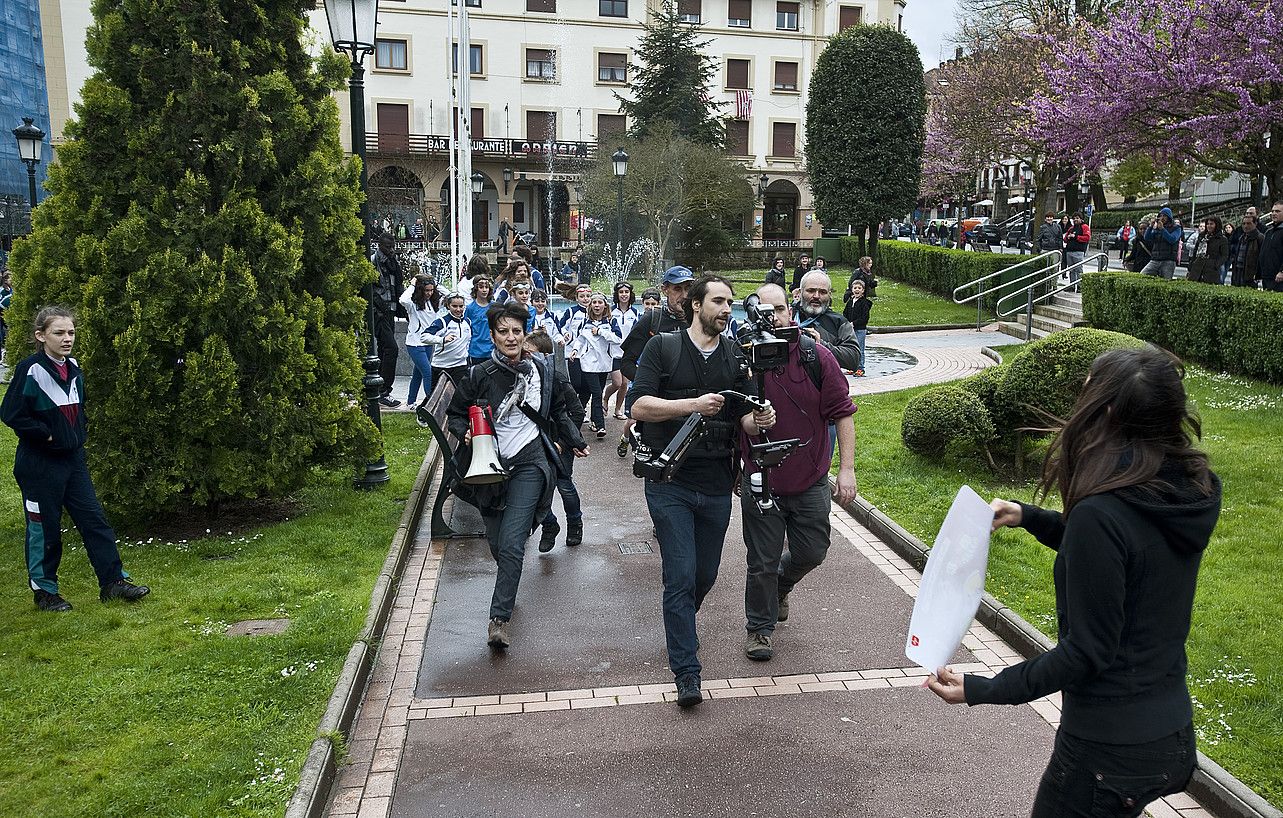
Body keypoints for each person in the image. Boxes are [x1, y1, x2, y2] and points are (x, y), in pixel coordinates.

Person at [927, 345, 1220, 818]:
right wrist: (1031, 517)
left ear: (1104, 413)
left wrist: (986, 688)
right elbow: (1127, 556)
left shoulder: (1103, 515)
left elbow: (1087, 652)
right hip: (1170, 735)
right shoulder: (1186, 491)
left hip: (1106, 752)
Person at [627, 275, 776, 707]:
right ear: (696, 305)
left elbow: (744, 417)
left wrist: (759, 420)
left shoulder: (734, 354)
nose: (728, 309)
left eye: (730, 302)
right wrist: (691, 404)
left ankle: (679, 625)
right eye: (719, 301)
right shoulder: (664, 349)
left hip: (716, 482)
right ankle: (687, 673)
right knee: (680, 573)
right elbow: (637, 405)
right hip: (669, 481)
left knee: (705, 575)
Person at [447, 302, 589, 648]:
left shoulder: (541, 369)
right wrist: (465, 430)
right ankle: (530, 543)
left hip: (530, 463)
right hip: (488, 467)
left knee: (512, 543)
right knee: (498, 544)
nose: (511, 337)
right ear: (493, 336)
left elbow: (557, 408)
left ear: (525, 334)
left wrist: (573, 439)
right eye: (503, 331)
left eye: (516, 331)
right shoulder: (480, 374)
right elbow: (455, 414)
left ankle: (499, 620)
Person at [2, 307, 151, 612]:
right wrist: (46, 435)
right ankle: (45, 592)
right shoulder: (29, 369)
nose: (67, 338)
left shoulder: (74, 367)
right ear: (41, 336)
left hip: (73, 461)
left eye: (70, 332)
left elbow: (77, 410)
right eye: (59, 333)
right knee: (45, 528)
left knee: (94, 521)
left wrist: (76, 434)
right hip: (39, 463)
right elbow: (10, 413)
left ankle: (113, 582)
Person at [739, 284, 857, 661]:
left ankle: (780, 587)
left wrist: (847, 469)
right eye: (762, 310)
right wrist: (752, 422)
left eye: (777, 309)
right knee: (762, 561)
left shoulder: (815, 356)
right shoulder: (742, 359)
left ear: (790, 311)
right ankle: (759, 629)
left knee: (813, 551)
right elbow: (730, 414)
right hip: (761, 478)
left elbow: (842, 412)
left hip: (810, 478)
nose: (770, 317)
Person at [524, 330, 586, 553]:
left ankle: (575, 523)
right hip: (534, 443)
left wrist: (565, 442)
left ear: (544, 355)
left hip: (560, 442)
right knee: (533, 489)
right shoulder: (522, 377)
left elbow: (576, 412)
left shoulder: (557, 378)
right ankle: (549, 525)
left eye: (530, 353)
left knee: (564, 484)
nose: (525, 357)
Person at [568, 292, 621, 439]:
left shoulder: (611, 322)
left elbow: (617, 339)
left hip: (604, 364)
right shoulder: (586, 322)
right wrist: (574, 350)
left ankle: (574, 422)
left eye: (600, 302)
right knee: (597, 394)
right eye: (594, 302)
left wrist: (601, 332)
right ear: (590, 306)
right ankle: (600, 425)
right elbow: (580, 339)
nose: (597, 305)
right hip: (588, 364)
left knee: (585, 394)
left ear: (605, 305)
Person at [795, 270, 862, 372]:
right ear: (800, 292)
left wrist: (820, 345)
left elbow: (854, 359)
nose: (816, 296)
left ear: (829, 294)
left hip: (822, 385)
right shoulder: (786, 316)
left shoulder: (839, 322)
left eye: (822, 292)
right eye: (811, 291)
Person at [419, 293, 472, 412]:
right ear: (448, 306)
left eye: (461, 306)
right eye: (454, 306)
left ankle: (453, 418)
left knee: (460, 394)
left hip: (460, 365)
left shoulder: (467, 322)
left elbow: (468, 342)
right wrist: (442, 339)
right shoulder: (442, 322)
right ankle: (422, 412)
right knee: (434, 395)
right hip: (441, 365)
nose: (458, 309)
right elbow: (424, 337)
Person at [370, 232, 405, 407]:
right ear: (379, 245)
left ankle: (382, 390)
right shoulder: (373, 261)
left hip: (390, 311)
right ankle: (383, 390)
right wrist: (380, 307)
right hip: (379, 313)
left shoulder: (393, 263)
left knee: (386, 349)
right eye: (387, 247)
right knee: (391, 348)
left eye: (393, 246)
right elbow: (370, 289)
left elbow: (397, 286)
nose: (391, 250)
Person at [400, 274, 443, 410]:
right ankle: (431, 404)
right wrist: (412, 285)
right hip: (415, 344)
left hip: (428, 343)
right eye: (426, 290)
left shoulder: (433, 302)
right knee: (427, 372)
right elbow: (403, 299)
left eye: (431, 290)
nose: (429, 293)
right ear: (420, 290)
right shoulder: (412, 304)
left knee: (418, 374)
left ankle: (410, 402)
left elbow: (450, 295)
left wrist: (435, 284)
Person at [602, 281, 640, 420]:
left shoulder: (635, 313)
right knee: (617, 383)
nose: (624, 295)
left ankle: (618, 409)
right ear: (617, 294)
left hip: (628, 354)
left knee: (625, 384)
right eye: (621, 292)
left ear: (631, 294)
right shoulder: (610, 312)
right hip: (613, 353)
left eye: (626, 292)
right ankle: (605, 399)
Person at [1140, 208, 1183, 280]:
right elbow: (1147, 238)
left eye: (1164, 216)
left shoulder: (1176, 228)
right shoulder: (1157, 228)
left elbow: (1172, 239)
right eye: (1161, 216)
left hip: (1168, 260)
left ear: (1169, 217)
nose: (1162, 218)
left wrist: (1163, 229)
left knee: (1166, 281)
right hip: (1155, 259)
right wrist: (1150, 227)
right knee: (1143, 275)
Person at [842, 279, 872, 377]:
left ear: (863, 290)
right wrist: (846, 322)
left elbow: (865, 318)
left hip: (860, 329)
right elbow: (845, 313)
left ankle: (860, 368)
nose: (857, 290)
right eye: (855, 288)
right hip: (850, 330)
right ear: (852, 289)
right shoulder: (850, 302)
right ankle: (851, 367)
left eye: (859, 288)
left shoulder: (864, 303)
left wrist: (854, 323)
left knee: (860, 348)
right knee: (851, 348)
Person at [1186, 217, 1228, 285]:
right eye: (1207, 224)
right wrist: (1191, 264)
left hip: (1211, 268)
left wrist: (1216, 265)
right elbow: (1195, 251)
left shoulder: (1222, 239)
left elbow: (1224, 255)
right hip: (1198, 265)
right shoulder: (1202, 236)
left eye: (1211, 224)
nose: (1209, 226)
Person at [465, 274, 494, 365]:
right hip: (476, 350)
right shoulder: (470, 308)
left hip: (491, 349)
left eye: (487, 287)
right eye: (481, 287)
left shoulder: (494, 306)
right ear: (476, 289)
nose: (484, 290)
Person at [1230, 214, 1263, 287]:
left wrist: (1257, 273)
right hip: (1238, 269)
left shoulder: (1259, 238)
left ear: (1255, 224)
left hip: (1250, 272)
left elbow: (1262, 257)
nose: (1245, 226)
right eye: (1244, 224)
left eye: (1248, 223)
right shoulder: (1242, 237)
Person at [1259, 201, 1283, 292]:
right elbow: (1263, 252)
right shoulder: (1269, 232)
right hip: (1267, 276)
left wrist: (1282, 272)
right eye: (1272, 211)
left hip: (1278, 277)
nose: (1274, 213)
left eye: (1277, 211)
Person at [1062, 213, 1091, 284]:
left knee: (1078, 269)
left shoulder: (1084, 227)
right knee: (1071, 270)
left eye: (1077, 218)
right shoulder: (1071, 228)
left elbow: (1087, 238)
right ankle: (1072, 285)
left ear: (1081, 219)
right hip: (1069, 251)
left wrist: (1076, 237)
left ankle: (1079, 285)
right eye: (1074, 218)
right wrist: (1068, 237)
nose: (1075, 220)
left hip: (1078, 251)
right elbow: (1065, 238)